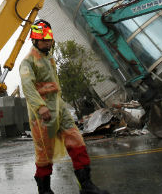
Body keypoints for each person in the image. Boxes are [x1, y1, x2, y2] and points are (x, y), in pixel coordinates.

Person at [19, 20, 109, 194]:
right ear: (35, 40)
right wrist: (40, 107)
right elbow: (28, 86)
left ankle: (87, 185)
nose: (48, 42)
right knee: (44, 152)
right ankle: (45, 190)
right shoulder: (28, 62)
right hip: (42, 114)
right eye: (44, 39)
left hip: (59, 109)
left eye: (49, 39)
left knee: (77, 141)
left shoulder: (49, 58)